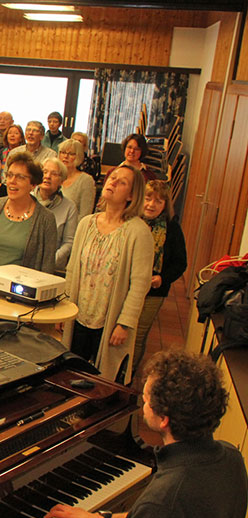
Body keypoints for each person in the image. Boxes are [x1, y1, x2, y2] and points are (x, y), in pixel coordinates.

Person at [16, 349, 247, 518]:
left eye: (146, 399)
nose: (143, 403)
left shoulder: (164, 499)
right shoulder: (231, 457)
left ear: (164, 419)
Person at [65, 164, 153, 383]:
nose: (112, 182)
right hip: (79, 314)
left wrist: (125, 323)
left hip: (110, 320)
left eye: (121, 182)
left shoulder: (139, 232)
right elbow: (72, 269)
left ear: (132, 195)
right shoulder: (87, 223)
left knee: (101, 380)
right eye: (112, 177)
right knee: (70, 372)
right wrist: (65, 307)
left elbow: (140, 284)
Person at [0, 151, 58, 274]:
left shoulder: (45, 218)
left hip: (20, 289)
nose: (12, 181)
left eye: (20, 177)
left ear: (33, 184)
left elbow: (47, 265)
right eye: (10, 175)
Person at [133, 180, 187, 368]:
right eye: (148, 198)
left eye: (158, 201)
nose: (151, 205)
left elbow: (181, 263)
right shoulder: (131, 222)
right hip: (128, 287)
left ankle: (127, 377)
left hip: (154, 291)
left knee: (138, 335)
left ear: (165, 205)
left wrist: (162, 278)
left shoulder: (172, 228)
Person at [33, 157, 78, 273]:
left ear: (62, 180)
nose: (47, 176)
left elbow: (68, 243)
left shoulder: (69, 207)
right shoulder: (27, 199)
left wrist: (49, 262)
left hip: (53, 268)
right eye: (44, 172)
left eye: (54, 174)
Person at [59, 137, 97, 220]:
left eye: (71, 154)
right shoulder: (54, 175)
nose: (65, 156)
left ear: (78, 156)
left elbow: (85, 215)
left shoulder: (86, 180)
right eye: (63, 152)